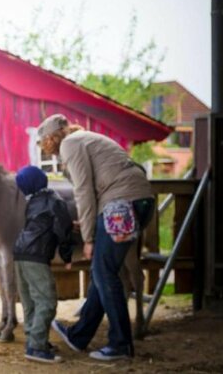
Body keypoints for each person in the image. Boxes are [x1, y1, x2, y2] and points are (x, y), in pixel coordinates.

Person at [37, 114, 154, 361]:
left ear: (52, 137)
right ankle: (79, 335)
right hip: (137, 201)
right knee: (105, 271)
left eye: (45, 140)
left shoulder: (70, 143)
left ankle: (121, 344)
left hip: (121, 203)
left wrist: (89, 237)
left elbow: (84, 190)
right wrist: (92, 222)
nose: (45, 146)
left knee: (103, 272)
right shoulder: (85, 138)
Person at [13, 165, 73, 364]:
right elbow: (63, 230)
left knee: (30, 302)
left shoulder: (32, 202)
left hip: (19, 253)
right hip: (36, 256)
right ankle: (37, 347)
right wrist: (67, 257)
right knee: (46, 301)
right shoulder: (54, 200)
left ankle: (34, 340)